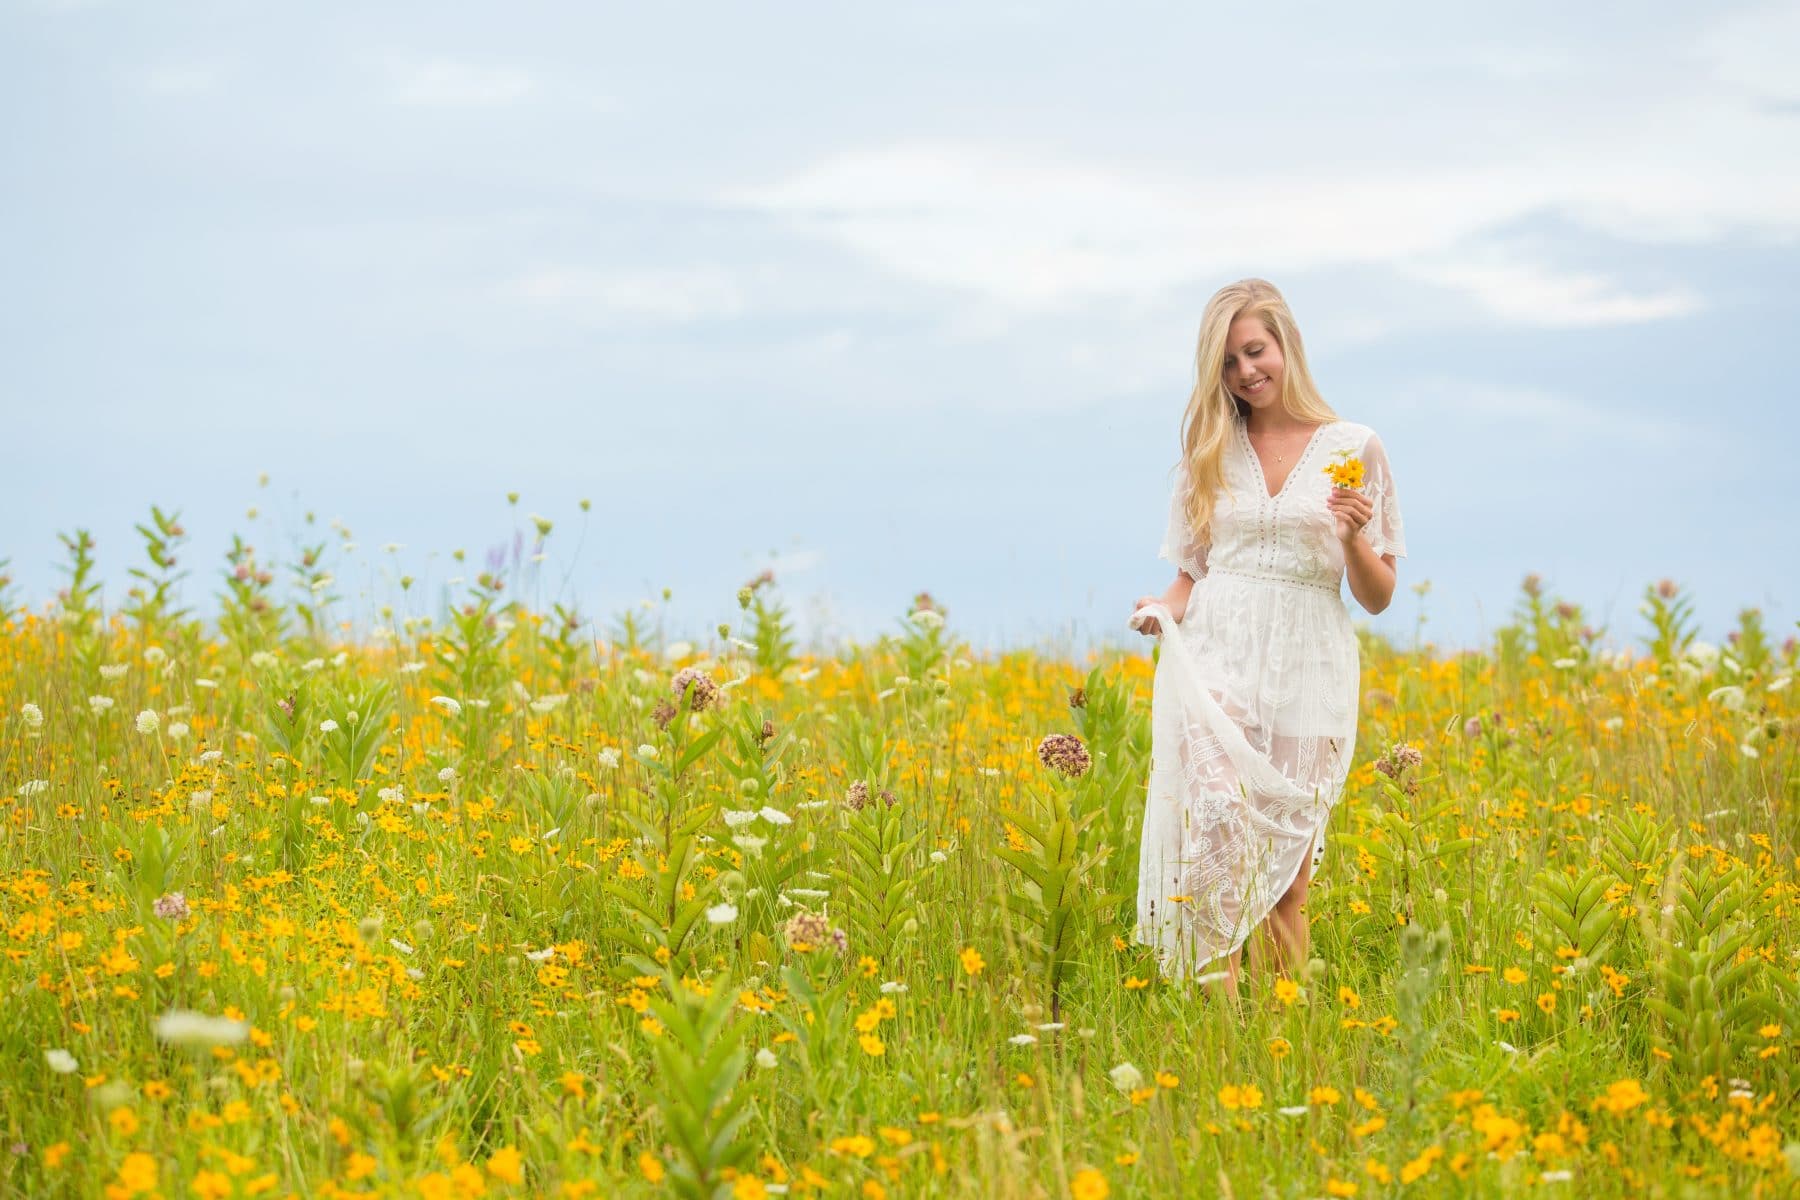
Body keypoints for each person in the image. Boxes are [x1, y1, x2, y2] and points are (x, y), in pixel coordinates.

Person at [1127, 278, 1405, 998]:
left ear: (1286, 346)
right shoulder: (1210, 449)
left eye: (1255, 352)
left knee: (1287, 875)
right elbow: (1193, 571)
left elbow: (1377, 595)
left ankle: (1280, 1041)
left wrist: (1350, 538)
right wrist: (1164, 609)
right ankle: (1216, 1031)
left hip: (1309, 663)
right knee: (1217, 836)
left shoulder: (1355, 447)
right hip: (1220, 654)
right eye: (1227, 363)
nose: (1246, 372)